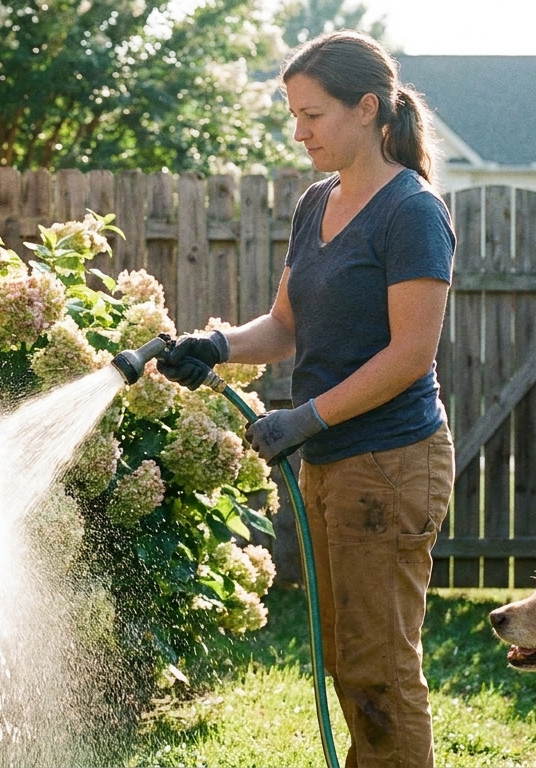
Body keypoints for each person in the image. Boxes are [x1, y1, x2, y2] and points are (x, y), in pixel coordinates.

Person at [157, 30, 455, 768]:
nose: (299, 131)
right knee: (350, 663)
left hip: (390, 462)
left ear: (367, 109)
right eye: (294, 114)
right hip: (328, 462)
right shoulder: (316, 203)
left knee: (381, 670)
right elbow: (286, 324)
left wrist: (306, 416)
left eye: (313, 114)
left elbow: (411, 353)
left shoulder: (409, 211)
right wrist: (219, 344)